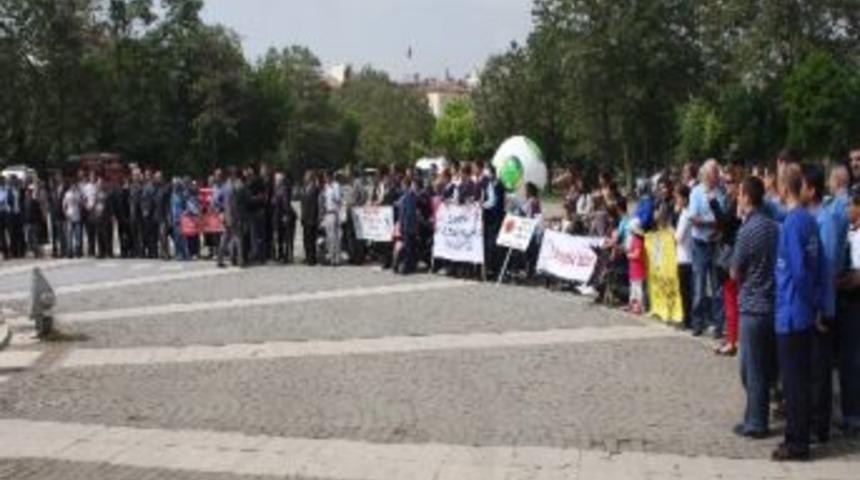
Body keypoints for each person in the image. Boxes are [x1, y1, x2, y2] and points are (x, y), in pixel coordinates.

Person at [772, 164, 827, 461]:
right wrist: (817, 303)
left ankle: (797, 443)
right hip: (803, 311)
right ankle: (796, 436)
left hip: (792, 312)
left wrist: (808, 302)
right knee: (800, 380)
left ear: (784, 189)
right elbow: (817, 266)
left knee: (793, 384)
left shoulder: (793, 223)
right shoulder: (808, 220)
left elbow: (799, 271)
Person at [731, 176, 779, 439]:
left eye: (739, 194)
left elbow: (735, 270)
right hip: (771, 302)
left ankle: (757, 422)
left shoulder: (748, 230)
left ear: (747, 198)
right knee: (759, 366)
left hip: (752, 305)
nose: (737, 199)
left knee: (752, 368)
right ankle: (752, 416)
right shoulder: (773, 227)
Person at [800, 163, 844, 444]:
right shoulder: (809, 216)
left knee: (819, 369)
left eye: (802, 184)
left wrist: (818, 308)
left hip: (821, 307)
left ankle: (820, 426)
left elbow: (825, 268)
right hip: (811, 304)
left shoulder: (824, 220)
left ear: (811, 190)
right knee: (811, 367)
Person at [689, 159, 726, 338]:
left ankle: (718, 325)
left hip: (715, 243)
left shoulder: (720, 192)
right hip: (700, 244)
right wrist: (712, 223)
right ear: (705, 175)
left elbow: (723, 220)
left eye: (717, 174)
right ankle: (698, 323)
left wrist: (714, 225)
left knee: (717, 287)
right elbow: (693, 218)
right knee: (699, 286)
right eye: (714, 174)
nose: (717, 177)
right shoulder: (696, 192)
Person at [837, 186, 860, 438]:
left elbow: (858, 277)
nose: (846, 209)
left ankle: (853, 416)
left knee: (852, 362)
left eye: (849, 205)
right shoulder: (851, 232)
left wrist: (838, 283)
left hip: (854, 303)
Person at [713, 166, 743, 356]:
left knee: (731, 300)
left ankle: (734, 341)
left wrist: (713, 205)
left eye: (730, 182)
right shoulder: (731, 200)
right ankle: (733, 337)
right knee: (729, 299)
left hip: (733, 254)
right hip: (729, 251)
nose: (727, 185)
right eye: (725, 182)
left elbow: (727, 225)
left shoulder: (735, 202)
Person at [674, 184, 694, 330]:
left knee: (685, 292)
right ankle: (688, 318)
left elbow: (679, 237)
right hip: (686, 256)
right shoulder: (687, 213)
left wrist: (672, 233)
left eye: (678, 197)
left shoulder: (685, 214)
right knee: (686, 291)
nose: (676, 200)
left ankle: (687, 320)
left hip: (684, 257)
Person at [322, 171, 343, 266]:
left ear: (330, 177)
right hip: (327, 213)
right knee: (329, 237)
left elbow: (338, 199)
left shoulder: (336, 186)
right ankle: (331, 257)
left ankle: (337, 258)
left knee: (335, 237)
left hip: (334, 213)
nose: (325, 179)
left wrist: (334, 196)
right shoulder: (326, 186)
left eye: (326, 177)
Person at [626, 218, 646, 315]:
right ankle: (632, 304)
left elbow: (637, 254)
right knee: (633, 287)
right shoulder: (634, 239)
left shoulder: (638, 240)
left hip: (638, 267)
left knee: (638, 287)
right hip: (633, 266)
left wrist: (629, 255)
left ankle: (639, 306)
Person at [301, 171, 321, 266]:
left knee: (311, 239)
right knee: (306, 239)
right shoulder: (305, 188)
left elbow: (315, 205)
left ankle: (312, 259)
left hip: (311, 218)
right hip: (305, 217)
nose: (304, 177)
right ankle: (307, 256)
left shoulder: (315, 189)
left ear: (311, 177)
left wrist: (314, 218)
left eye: (306, 176)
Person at [62, 182, 83, 258]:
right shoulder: (67, 194)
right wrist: (66, 214)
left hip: (77, 217)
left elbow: (81, 204)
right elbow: (64, 205)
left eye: (74, 186)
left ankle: (77, 252)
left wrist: (79, 211)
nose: (73, 187)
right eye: (72, 186)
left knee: (77, 236)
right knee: (70, 236)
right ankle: (70, 252)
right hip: (70, 217)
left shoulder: (78, 194)